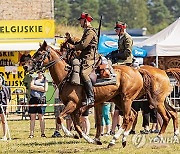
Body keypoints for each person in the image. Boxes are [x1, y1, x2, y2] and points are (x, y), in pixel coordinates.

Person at [65, 12, 100, 106]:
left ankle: (91, 97)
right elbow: (80, 43)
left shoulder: (90, 31)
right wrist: (70, 40)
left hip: (90, 57)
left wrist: (72, 46)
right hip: (84, 56)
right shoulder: (86, 31)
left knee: (84, 74)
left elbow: (83, 45)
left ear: (86, 21)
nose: (80, 22)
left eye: (81, 20)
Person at [28, 71, 48, 138]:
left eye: (41, 72)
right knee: (32, 117)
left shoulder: (45, 80)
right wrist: (40, 88)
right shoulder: (34, 79)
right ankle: (31, 134)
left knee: (41, 117)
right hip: (33, 98)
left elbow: (45, 89)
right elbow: (31, 86)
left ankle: (42, 133)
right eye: (38, 72)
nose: (40, 73)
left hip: (41, 99)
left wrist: (35, 87)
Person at [0, 75, 11, 141]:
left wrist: (7, 108)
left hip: (3, 106)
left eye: (0, 80)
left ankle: (4, 136)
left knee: (4, 121)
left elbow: (7, 99)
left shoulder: (5, 88)